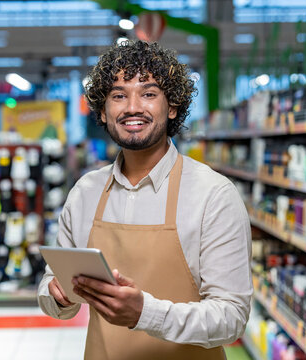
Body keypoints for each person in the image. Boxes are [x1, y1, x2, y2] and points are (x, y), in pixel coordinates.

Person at [37, 40, 252, 360]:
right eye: (118, 95)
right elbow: (52, 284)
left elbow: (231, 318)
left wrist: (144, 313)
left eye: (149, 93)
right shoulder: (85, 193)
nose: (132, 107)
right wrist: (58, 296)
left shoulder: (212, 195)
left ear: (173, 106)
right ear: (103, 111)